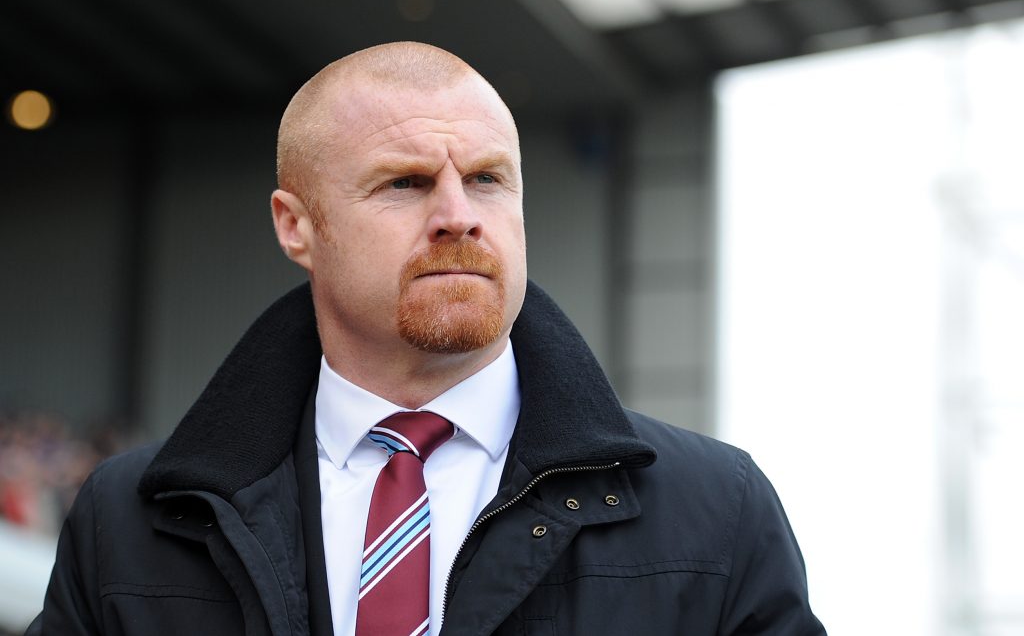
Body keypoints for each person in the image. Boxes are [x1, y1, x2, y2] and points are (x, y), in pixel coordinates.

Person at [28, 42, 826, 635]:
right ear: (296, 226)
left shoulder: (717, 511)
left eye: (487, 178)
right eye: (406, 183)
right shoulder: (128, 522)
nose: (459, 213)